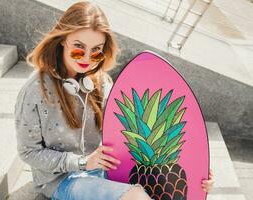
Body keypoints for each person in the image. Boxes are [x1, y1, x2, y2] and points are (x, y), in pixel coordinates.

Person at [14, 1, 214, 199]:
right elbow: (28, 152)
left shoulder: (100, 83)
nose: (86, 58)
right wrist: (83, 162)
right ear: (62, 40)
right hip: (61, 180)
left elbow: (127, 135)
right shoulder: (35, 91)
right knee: (136, 197)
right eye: (78, 47)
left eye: (96, 50)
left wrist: (197, 174)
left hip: (105, 170)